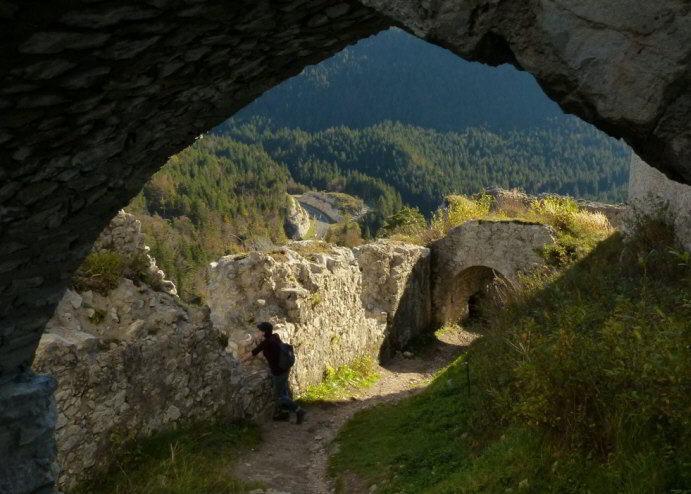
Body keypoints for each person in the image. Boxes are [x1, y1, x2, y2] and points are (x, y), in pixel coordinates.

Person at [240, 322, 306, 424]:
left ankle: (299, 410)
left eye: (259, 330)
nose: (257, 332)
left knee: (280, 396)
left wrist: (239, 361)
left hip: (278, 372)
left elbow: (253, 353)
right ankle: (284, 414)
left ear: (263, 332)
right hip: (284, 369)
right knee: (284, 392)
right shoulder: (275, 337)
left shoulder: (266, 343)